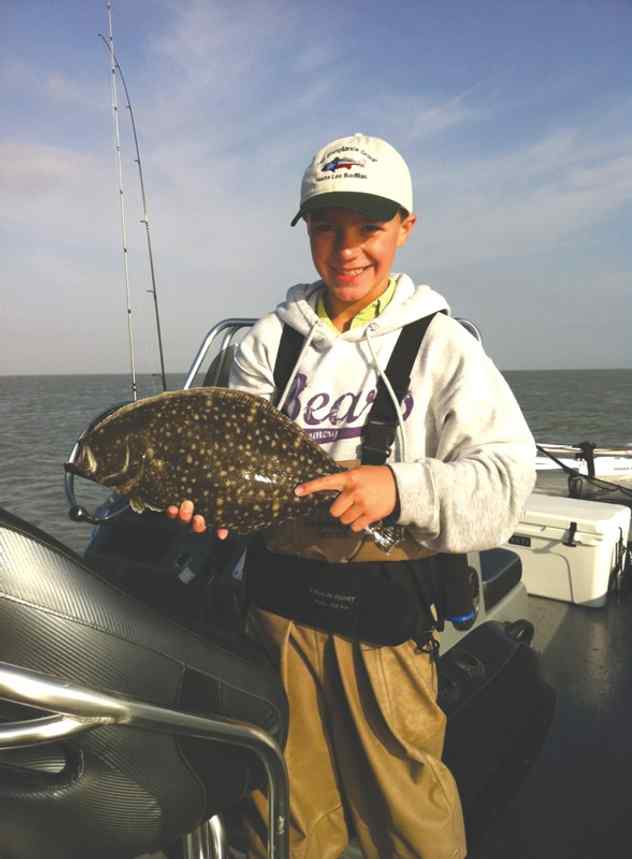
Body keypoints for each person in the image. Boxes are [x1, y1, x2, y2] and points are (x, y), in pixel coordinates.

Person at [167, 133, 537, 859]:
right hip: (274, 614)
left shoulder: (443, 345)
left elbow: (505, 481)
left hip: (384, 622)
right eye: (325, 227)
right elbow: (231, 463)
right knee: (286, 809)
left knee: (406, 813)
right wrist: (200, 498)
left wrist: (398, 486)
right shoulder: (267, 342)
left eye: (369, 226)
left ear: (406, 226)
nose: (346, 249)